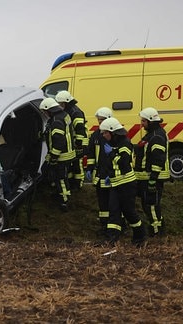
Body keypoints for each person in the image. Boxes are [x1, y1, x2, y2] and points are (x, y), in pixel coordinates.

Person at [98, 117, 147, 246]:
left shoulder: (125, 143)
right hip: (116, 183)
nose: (103, 135)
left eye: (105, 133)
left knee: (129, 212)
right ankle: (112, 238)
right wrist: (110, 175)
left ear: (112, 132)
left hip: (127, 184)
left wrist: (111, 154)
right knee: (113, 210)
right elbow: (113, 165)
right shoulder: (114, 144)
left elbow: (124, 162)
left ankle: (140, 236)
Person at [134, 107, 170, 237]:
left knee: (151, 205)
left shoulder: (156, 136)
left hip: (152, 177)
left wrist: (153, 180)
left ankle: (157, 232)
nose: (141, 123)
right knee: (148, 205)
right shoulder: (153, 134)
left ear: (150, 121)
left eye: (143, 121)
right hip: (146, 177)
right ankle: (156, 230)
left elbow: (158, 159)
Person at [39, 97, 76, 211]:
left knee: (61, 178)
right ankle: (60, 194)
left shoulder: (56, 121)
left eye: (44, 111)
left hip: (62, 156)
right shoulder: (64, 115)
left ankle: (64, 201)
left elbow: (59, 142)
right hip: (68, 153)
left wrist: (53, 157)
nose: (44, 114)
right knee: (59, 176)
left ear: (49, 110)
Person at [55, 90, 87, 190]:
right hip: (73, 142)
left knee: (78, 164)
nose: (59, 106)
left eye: (60, 103)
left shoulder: (75, 112)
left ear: (65, 102)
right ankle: (71, 183)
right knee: (71, 164)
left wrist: (78, 143)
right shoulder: (69, 111)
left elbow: (80, 129)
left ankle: (78, 184)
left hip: (79, 143)